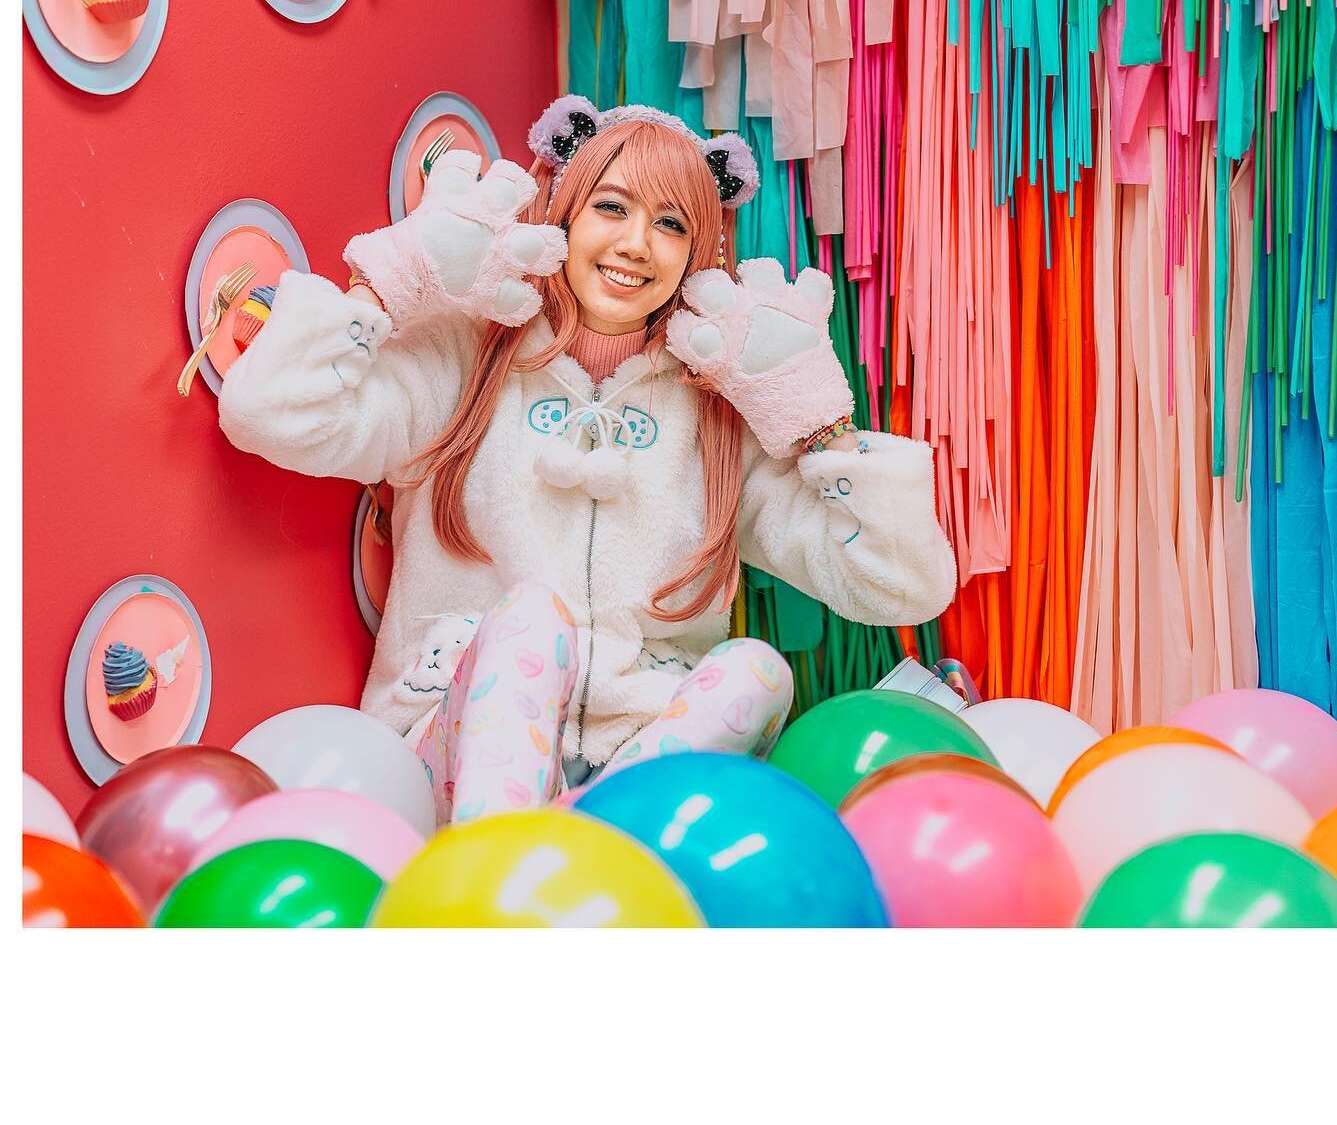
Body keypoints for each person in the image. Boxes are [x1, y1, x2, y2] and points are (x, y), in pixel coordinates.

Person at [219, 96, 957, 824]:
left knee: (757, 670)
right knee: (534, 620)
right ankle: (499, 870)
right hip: (454, 755)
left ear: (698, 254)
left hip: (633, 774)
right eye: (611, 208)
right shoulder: (463, 357)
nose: (638, 244)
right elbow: (271, 415)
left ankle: (585, 840)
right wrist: (389, 280)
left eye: (671, 225)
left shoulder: (716, 411)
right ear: (562, 214)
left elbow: (905, 589)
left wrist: (820, 425)